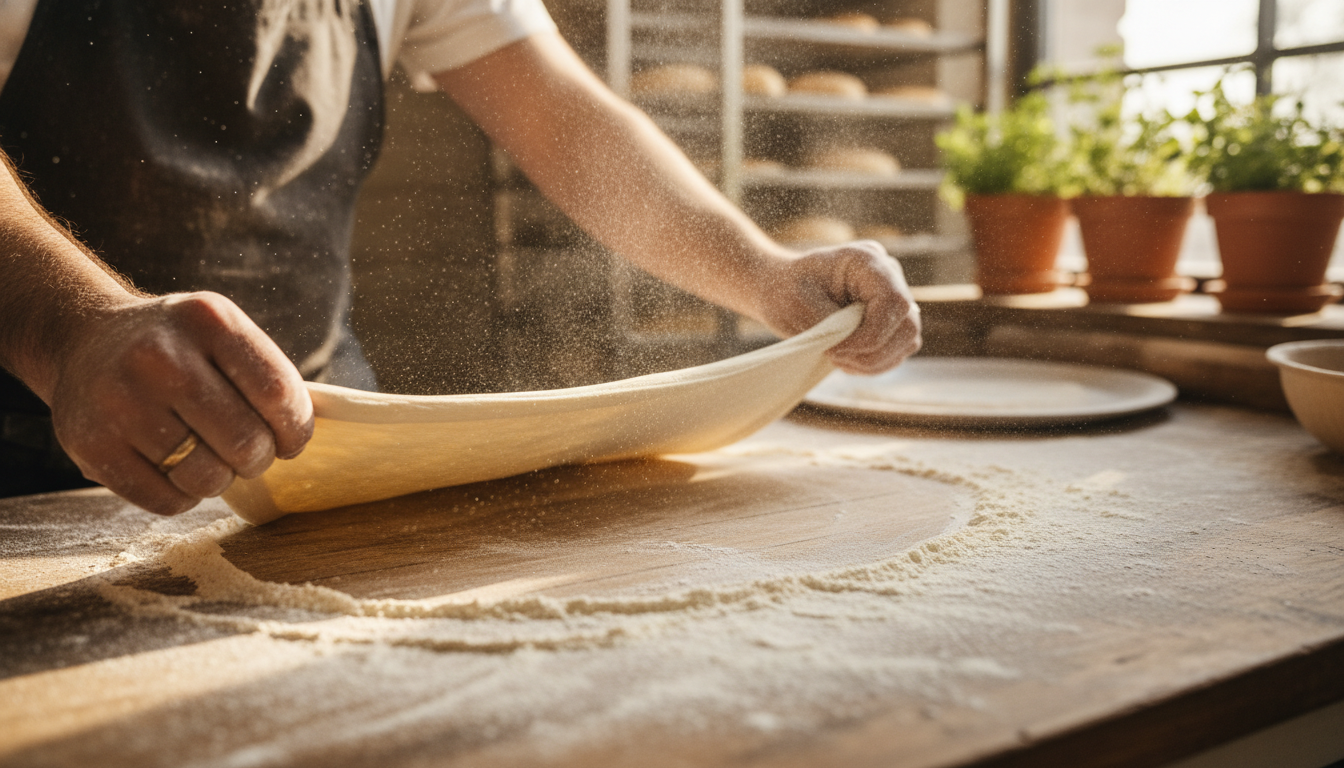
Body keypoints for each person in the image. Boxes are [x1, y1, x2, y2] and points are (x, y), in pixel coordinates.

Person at [0, 0, 921, 517]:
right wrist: (70, 329)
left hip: (310, 440)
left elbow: (568, 120)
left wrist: (764, 273)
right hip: (28, 448)